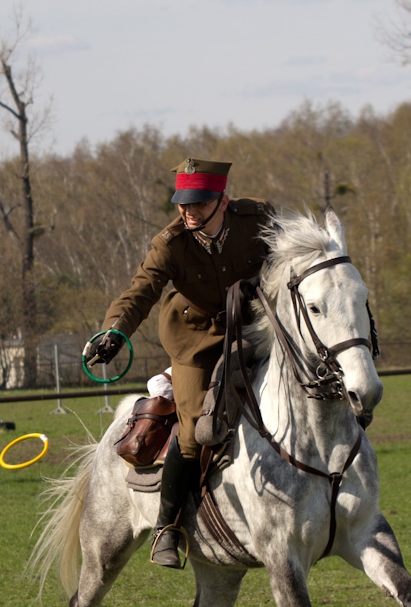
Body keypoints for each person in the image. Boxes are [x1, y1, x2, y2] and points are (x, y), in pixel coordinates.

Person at [84, 157, 272, 568]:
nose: (188, 211)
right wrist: (113, 331)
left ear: (222, 201)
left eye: (199, 203)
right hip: (195, 338)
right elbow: (141, 291)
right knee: (191, 433)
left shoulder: (258, 218)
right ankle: (167, 529)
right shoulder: (169, 243)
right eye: (182, 203)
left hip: (255, 327)